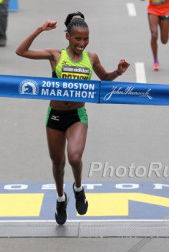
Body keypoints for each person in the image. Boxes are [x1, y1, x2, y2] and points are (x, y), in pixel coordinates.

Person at [16, 12, 130, 225]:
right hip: (56, 116)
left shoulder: (92, 57)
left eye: (86, 39)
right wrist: (40, 29)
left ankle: (78, 189)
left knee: (74, 158)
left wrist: (118, 72)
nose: (82, 43)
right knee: (58, 164)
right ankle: (61, 198)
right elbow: (21, 51)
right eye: (78, 39)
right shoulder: (56, 56)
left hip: (77, 115)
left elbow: (104, 78)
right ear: (67, 37)